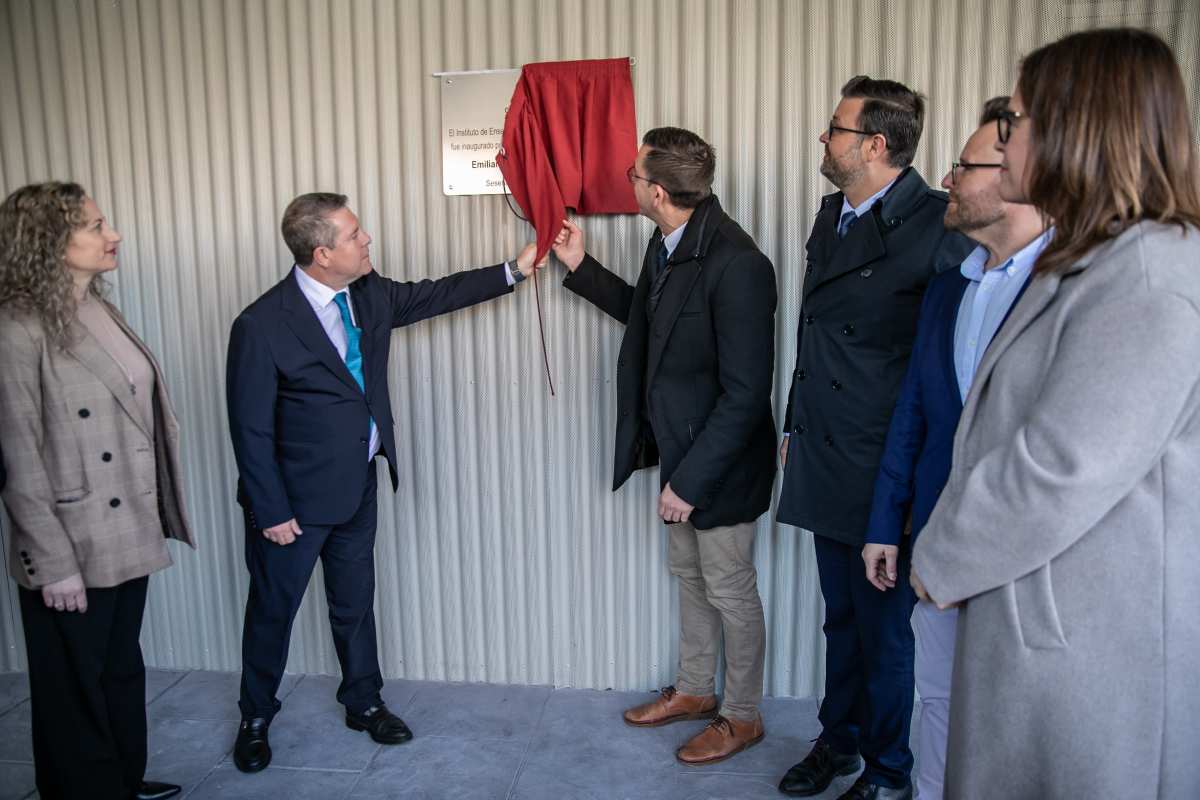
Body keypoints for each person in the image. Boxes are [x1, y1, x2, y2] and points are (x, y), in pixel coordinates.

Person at [911, 28, 1200, 799]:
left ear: (1082, 128)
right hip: (1040, 614)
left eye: (1020, 119)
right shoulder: (1091, 257)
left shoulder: (1149, 276)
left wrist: (936, 559)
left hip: (1086, 647)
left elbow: (1059, 467)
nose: (1004, 143)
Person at [225, 192, 542, 773]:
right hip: (292, 505)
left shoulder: (367, 294)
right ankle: (255, 717)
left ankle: (363, 702)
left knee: (355, 604)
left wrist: (514, 270)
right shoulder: (262, 324)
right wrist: (270, 510)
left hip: (358, 487)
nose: (367, 239)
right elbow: (248, 429)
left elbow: (435, 294)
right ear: (322, 253)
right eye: (354, 235)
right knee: (274, 609)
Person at [551, 126, 777, 766]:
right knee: (691, 577)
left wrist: (689, 483)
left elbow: (745, 395)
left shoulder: (738, 264)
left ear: (655, 190)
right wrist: (582, 269)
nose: (628, 181)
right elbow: (653, 320)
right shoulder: (671, 240)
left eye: (632, 174)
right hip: (682, 454)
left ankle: (742, 716)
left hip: (718, 465)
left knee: (729, 588)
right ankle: (697, 692)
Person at [775, 76, 972, 800]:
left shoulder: (938, 224)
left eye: (836, 128)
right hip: (828, 450)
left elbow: (945, 369)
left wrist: (920, 479)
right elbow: (813, 334)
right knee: (841, 620)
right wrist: (796, 421)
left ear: (875, 144)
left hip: (889, 464)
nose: (823, 139)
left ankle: (892, 773)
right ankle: (841, 742)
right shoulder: (835, 215)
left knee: (888, 636)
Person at [861, 97, 1050, 800]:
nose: (946, 177)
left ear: (1017, 176)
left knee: (1014, 728)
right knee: (934, 704)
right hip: (937, 550)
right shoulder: (948, 289)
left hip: (1025, 566)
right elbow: (912, 411)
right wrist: (887, 522)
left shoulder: (1071, 288)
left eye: (964, 166)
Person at [0, 182, 196, 800]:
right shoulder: (16, 327)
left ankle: (121, 782)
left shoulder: (95, 306)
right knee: (72, 688)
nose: (112, 235)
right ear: (50, 242)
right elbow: (17, 456)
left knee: (118, 668)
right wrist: (51, 563)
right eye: (95, 226)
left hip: (123, 525)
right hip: (70, 543)